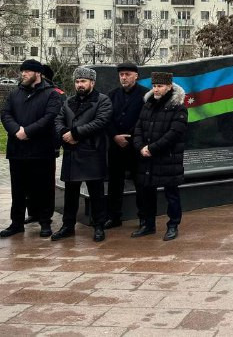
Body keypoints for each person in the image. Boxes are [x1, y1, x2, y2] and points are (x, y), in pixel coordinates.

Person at [0, 60, 62, 239]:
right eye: (23, 71)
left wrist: (28, 131)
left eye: (27, 71)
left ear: (38, 73)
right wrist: (17, 131)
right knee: (18, 189)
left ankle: (45, 222)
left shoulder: (51, 94)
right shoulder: (15, 93)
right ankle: (16, 223)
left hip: (41, 150)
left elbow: (50, 117)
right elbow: (5, 114)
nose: (23, 74)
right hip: (17, 150)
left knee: (43, 187)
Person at [52, 67, 112, 242]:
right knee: (70, 193)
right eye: (77, 81)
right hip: (72, 152)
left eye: (83, 81)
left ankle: (99, 226)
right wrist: (64, 133)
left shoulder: (102, 100)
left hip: (92, 151)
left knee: (96, 193)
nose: (80, 85)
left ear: (92, 82)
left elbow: (100, 121)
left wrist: (75, 134)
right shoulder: (69, 101)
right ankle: (67, 226)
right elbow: (58, 119)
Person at [132, 71, 187, 241]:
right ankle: (148, 225)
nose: (156, 89)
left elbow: (174, 134)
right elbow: (138, 128)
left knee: (171, 194)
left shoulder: (178, 107)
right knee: (147, 193)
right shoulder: (148, 104)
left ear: (169, 87)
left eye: (160, 86)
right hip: (147, 158)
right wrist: (140, 147)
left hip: (168, 158)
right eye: (154, 86)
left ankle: (173, 226)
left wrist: (152, 148)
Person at [105, 62, 149, 229]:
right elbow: (106, 118)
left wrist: (130, 137)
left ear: (136, 76)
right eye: (121, 75)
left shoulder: (145, 95)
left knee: (140, 183)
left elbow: (144, 119)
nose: (124, 78)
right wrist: (115, 135)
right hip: (116, 146)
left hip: (136, 146)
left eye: (127, 74)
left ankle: (144, 218)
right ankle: (114, 216)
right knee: (115, 183)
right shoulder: (112, 95)